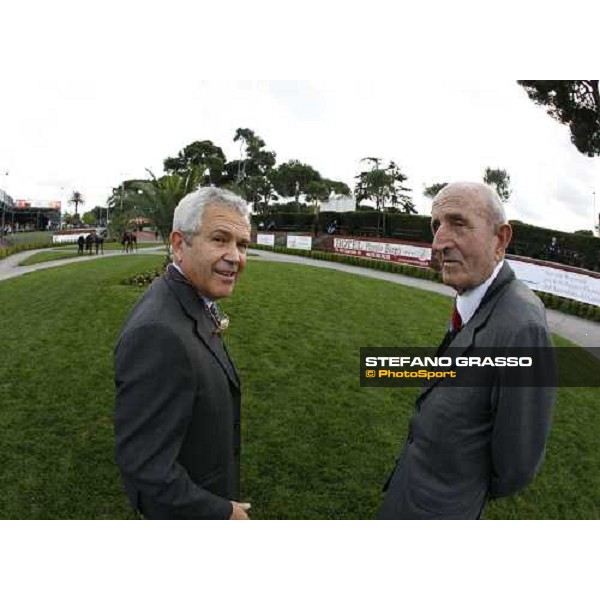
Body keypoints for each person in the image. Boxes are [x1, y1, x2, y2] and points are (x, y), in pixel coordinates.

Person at [379, 182, 556, 519]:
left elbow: (516, 466)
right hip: (408, 493)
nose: (438, 242)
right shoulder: (472, 295)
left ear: (500, 240)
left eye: (457, 223)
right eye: (436, 226)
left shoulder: (522, 328)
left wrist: (457, 491)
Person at [114, 187, 252, 519]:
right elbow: (146, 467)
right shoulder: (158, 333)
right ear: (179, 245)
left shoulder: (189, 300)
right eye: (220, 239)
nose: (236, 256)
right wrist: (222, 512)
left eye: (242, 244)